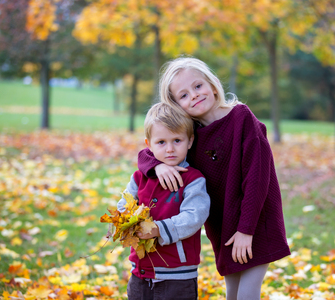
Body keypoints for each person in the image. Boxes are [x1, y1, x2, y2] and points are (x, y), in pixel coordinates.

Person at [138, 57, 291, 300]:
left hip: (255, 222)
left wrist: (246, 230)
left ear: (211, 83)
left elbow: (257, 179)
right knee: (232, 294)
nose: (195, 96)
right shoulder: (190, 135)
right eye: (184, 95)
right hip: (224, 226)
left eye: (198, 86)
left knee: (247, 295)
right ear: (176, 104)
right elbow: (149, 152)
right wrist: (157, 167)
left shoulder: (242, 119)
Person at [117, 102, 210, 300]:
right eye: (161, 142)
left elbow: (195, 216)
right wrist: (128, 221)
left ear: (190, 141)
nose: (170, 149)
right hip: (140, 270)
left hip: (177, 274)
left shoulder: (193, 180)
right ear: (148, 144)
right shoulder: (139, 177)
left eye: (177, 140)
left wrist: (159, 229)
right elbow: (123, 205)